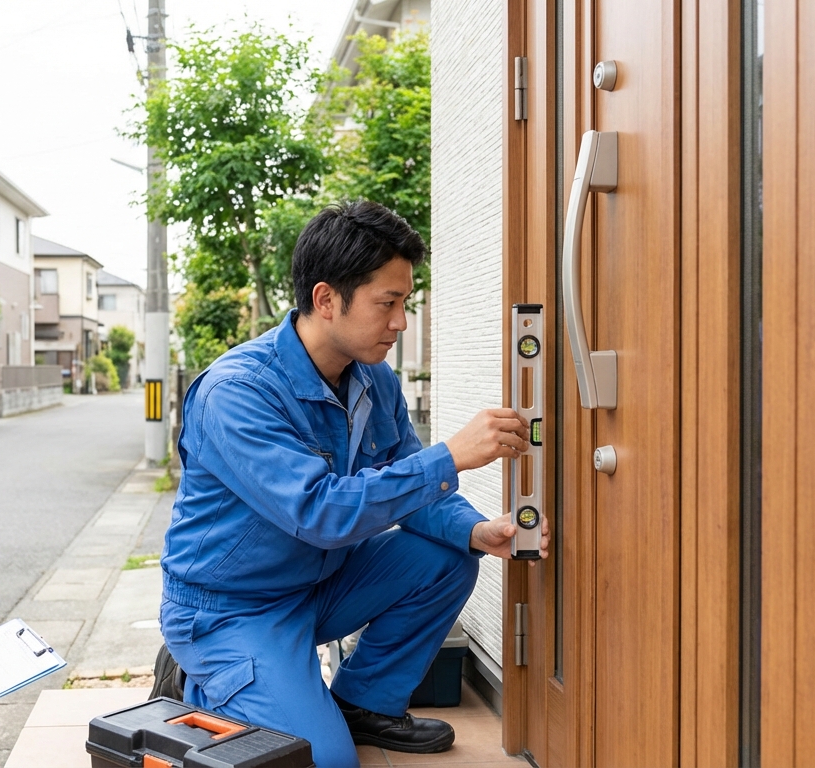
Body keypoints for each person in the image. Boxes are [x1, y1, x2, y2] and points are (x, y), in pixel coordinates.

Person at [159, 201, 550, 767]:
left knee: (446, 556)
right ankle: (203, 678)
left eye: (405, 303)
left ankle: (363, 702)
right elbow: (319, 512)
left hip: (318, 585)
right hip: (233, 608)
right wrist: (451, 457)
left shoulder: (373, 379)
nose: (401, 322)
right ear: (326, 300)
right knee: (324, 760)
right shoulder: (237, 392)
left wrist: (476, 530)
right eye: (387, 303)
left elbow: (410, 489)